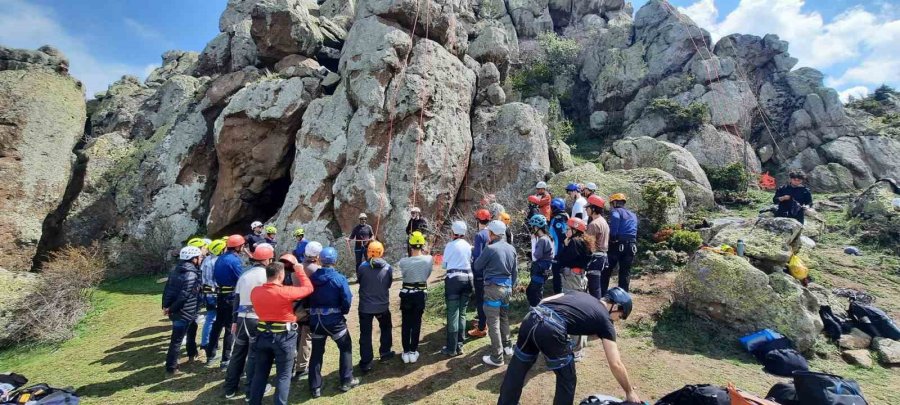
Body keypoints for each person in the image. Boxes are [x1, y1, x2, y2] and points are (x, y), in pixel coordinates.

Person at [497, 288, 642, 405]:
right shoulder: (606, 321)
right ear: (616, 307)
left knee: (517, 370)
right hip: (551, 328)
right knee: (567, 379)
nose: (618, 320)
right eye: (621, 316)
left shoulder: (581, 294)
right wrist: (629, 391)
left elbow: (545, 300)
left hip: (531, 318)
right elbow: (615, 363)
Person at [248, 261, 314, 405]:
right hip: (284, 336)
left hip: (262, 335)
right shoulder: (285, 292)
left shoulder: (255, 291)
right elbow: (308, 288)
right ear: (280, 275)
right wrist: (299, 270)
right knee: (283, 375)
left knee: (260, 374)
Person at [223, 243, 274, 399]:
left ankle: (230, 388)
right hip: (256, 318)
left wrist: (233, 321)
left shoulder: (244, 275)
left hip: (240, 318)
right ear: (267, 260)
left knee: (237, 353)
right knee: (254, 355)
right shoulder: (267, 276)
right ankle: (251, 390)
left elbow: (237, 300)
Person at [308, 247, 358, 397]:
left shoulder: (312, 278)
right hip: (334, 320)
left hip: (316, 320)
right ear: (335, 261)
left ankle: (315, 387)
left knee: (316, 353)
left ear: (319, 260)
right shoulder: (339, 278)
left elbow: (306, 296)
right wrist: (342, 311)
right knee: (345, 347)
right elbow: (347, 299)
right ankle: (346, 380)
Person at [476, 220, 518, 367]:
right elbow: (515, 272)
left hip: (493, 288)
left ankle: (497, 356)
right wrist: (511, 287)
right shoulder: (511, 248)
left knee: (493, 322)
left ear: (492, 233)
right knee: (504, 317)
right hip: (507, 288)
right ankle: (508, 347)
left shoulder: (490, 249)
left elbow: (477, 265)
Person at [162, 246, 204, 376]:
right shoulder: (190, 274)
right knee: (177, 340)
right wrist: (170, 309)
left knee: (192, 329)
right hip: (184, 311)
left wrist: (165, 305)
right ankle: (171, 367)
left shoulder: (176, 270)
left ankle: (192, 354)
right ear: (193, 259)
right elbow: (184, 295)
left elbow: (167, 289)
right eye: (199, 257)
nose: (201, 259)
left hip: (184, 311)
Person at [556, 217, 593, 361]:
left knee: (572, 312)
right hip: (579, 278)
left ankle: (577, 349)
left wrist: (565, 245)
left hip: (572, 279)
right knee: (579, 311)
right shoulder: (583, 242)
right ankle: (579, 346)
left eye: (568, 228)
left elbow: (562, 259)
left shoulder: (574, 243)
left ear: (575, 229)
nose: (566, 231)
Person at [207, 234, 246, 368]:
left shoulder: (220, 258)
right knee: (230, 327)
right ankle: (225, 359)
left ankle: (210, 354)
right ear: (238, 247)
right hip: (231, 296)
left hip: (221, 295)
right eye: (242, 246)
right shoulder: (234, 260)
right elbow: (241, 278)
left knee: (218, 324)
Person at [356, 241, 396, 372]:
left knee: (365, 333)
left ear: (368, 253)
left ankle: (366, 362)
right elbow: (388, 284)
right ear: (382, 252)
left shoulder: (362, 267)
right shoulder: (388, 268)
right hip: (382, 306)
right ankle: (385, 352)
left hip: (365, 307)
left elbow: (361, 280)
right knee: (385, 327)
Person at [396, 232, 433, 364]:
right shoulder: (429, 259)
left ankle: (405, 352)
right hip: (420, 293)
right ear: (422, 245)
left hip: (406, 293)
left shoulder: (403, 261)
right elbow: (427, 274)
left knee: (406, 323)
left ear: (410, 245)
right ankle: (413, 351)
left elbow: (404, 274)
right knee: (416, 322)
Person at [290, 241, 323, 380]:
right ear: (317, 256)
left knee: (295, 336)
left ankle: (291, 364)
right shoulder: (315, 270)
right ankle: (301, 368)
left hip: (295, 307)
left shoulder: (297, 268)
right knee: (306, 337)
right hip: (307, 308)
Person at [441, 221, 473, 357]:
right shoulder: (468, 246)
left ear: (453, 232)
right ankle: (460, 345)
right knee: (463, 312)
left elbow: (444, 265)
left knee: (453, 313)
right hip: (468, 279)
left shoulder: (450, 245)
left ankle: (451, 348)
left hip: (453, 280)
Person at [467, 208, 493, 338]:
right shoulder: (492, 233)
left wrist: (471, 251)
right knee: (487, 299)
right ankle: (486, 322)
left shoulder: (479, 235)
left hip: (480, 273)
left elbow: (478, 256)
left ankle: (482, 327)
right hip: (491, 271)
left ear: (478, 220)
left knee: (480, 300)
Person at [606, 194, 637, 294]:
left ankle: (602, 295)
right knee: (625, 273)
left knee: (606, 270)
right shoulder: (633, 214)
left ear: (614, 202)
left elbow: (614, 223)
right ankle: (623, 300)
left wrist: (612, 238)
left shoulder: (615, 212)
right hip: (631, 245)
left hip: (618, 244)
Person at [200, 238, 227, 354]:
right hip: (215, 293)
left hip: (207, 292)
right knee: (214, 319)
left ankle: (206, 342)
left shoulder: (206, 260)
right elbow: (216, 280)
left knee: (211, 318)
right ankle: (209, 343)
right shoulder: (216, 262)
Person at [584, 195, 610, 299]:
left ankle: (596, 311)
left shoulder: (593, 224)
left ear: (593, 208)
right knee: (597, 287)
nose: (586, 209)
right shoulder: (603, 222)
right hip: (603, 257)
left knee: (594, 288)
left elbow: (588, 245)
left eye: (588, 207)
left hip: (595, 258)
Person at [526, 215, 554, 307]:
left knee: (534, 293)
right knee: (531, 290)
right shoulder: (549, 237)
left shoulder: (542, 240)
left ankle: (537, 312)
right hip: (545, 269)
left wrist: (533, 240)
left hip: (539, 270)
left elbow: (535, 257)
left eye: (533, 227)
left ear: (536, 227)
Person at [548, 198, 569, 294]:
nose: (551, 209)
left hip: (558, 252)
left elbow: (562, 237)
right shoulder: (564, 217)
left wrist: (559, 254)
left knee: (557, 276)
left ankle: (558, 295)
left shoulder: (558, 220)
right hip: (560, 251)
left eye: (552, 207)